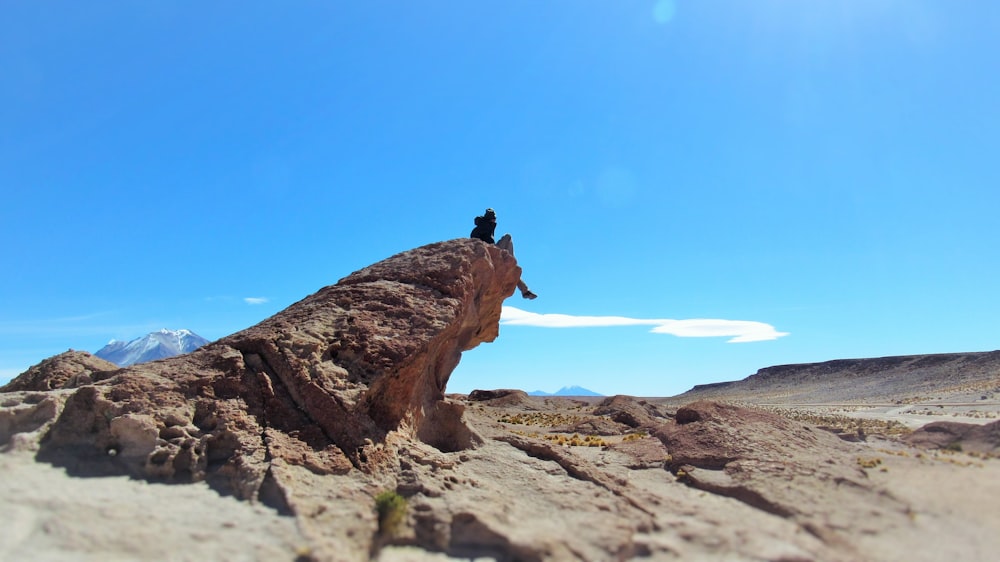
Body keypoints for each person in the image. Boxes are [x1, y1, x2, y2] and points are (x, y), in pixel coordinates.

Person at [471, 208, 537, 299]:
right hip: (491, 251)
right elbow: (474, 238)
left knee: (512, 270)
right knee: (508, 237)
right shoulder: (484, 226)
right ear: (490, 218)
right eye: (494, 218)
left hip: (492, 250)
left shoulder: (487, 226)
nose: (495, 220)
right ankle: (512, 260)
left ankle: (525, 291)